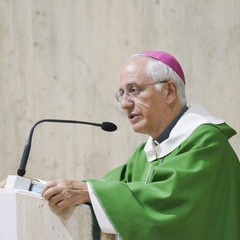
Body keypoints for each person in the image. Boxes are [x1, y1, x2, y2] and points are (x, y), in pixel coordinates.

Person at [5, 51, 240, 239]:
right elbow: (100, 189)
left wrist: (86, 191)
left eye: (134, 90)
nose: (125, 104)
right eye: (121, 94)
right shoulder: (147, 152)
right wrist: (30, 188)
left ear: (169, 91)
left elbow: (168, 203)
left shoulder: (206, 143)